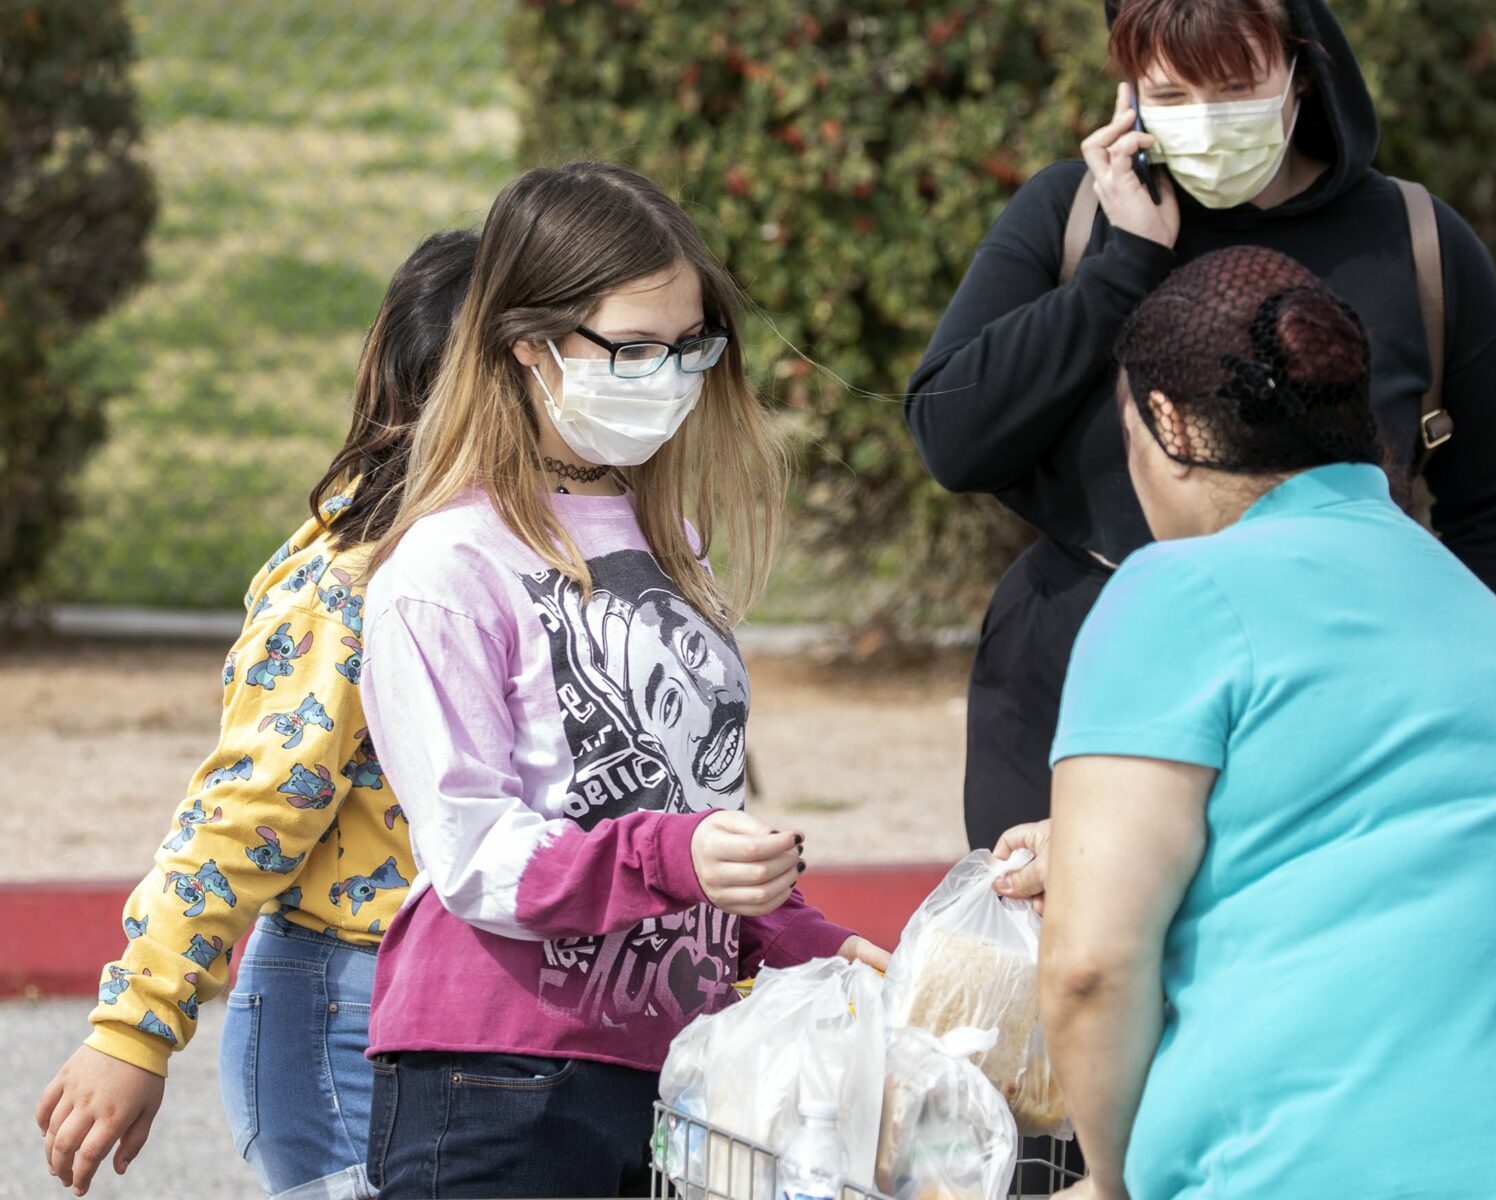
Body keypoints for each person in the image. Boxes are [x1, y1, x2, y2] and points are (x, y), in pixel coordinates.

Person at [996, 245, 1496, 1199]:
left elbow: (1090, 970)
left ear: (1166, 423)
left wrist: (1112, 1178)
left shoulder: (1175, 590)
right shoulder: (1476, 605)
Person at [356, 161, 889, 1200]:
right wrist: (676, 851)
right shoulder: (443, 568)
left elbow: (682, 812)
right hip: (498, 1076)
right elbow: (476, 856)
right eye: (633, 350)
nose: (669, 378)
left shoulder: (667, 540)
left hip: (675, 1063)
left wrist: (801, 940)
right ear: (527, 346)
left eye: (689, 349)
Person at [907, 0, 1496, 852]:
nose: (1207, 120)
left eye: (1237, 85)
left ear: (1301, 70)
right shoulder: (1073, 214)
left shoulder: (1416, 240)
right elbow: (952, 439)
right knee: (1069, 964)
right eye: (1172, 93)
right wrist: (1120, 269)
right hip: (1077, 663)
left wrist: (1457, 698)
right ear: (1129, 96)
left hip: (1335, 684)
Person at [34, 230, 478, 1200]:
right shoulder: (357, 586)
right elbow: (250, 806)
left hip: (457, 1022)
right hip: (342, 1026)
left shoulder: (514, 566)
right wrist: (135, 1026)